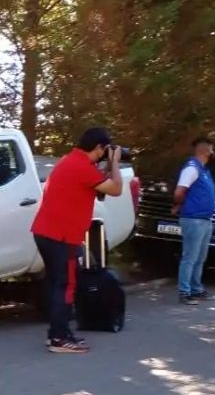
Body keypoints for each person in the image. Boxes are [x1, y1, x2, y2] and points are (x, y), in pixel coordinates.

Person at [31, 127, 124, 353]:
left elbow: (98, 190)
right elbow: (116, 189)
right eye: (106, 149)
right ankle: (59, 339)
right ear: (100, 147)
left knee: (57, 283)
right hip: (60, 236)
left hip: (47, 232)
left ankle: (58, 333)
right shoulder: (82, 166)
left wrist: (105, 167)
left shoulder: (70, 161)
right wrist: (115, 163)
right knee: (65, 286)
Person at [172, 137, 215, 305]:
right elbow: (179, 191)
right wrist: (180, 205)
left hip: (205, 219)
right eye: (211, 150)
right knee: (190, 257)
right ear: (206, 151)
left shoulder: (204, 170)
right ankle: (185, 292)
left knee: (200, 257)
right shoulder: (192, 169)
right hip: (193, 219)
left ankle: (196, 288)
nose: (213, 153)